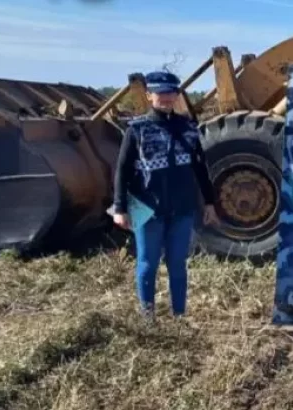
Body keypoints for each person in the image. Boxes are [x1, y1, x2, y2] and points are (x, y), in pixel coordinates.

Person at [112, 70, 220, 322]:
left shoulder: (189, 128)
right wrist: (119, 208)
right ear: (149, 95)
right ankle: (148, 319)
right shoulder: (137, 129)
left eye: (171, 92)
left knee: (177, 264)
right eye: (160, 93)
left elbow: (200, 169)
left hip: (182, 208)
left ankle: (179, 317)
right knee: (147, 263)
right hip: (147, 208)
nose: (167, 97)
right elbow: (122, 170)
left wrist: (210, 203)